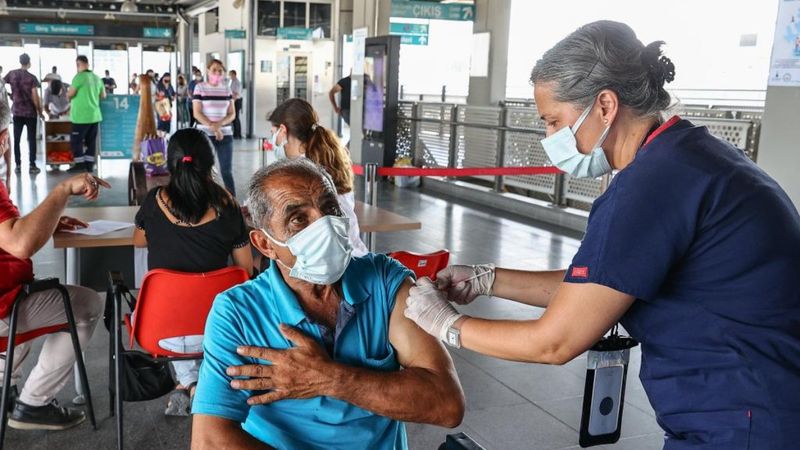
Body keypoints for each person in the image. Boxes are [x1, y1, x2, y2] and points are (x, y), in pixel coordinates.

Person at [404, 21, 800, 449]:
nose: (548, 138)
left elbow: (554, 342)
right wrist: (486, 278)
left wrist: (446, 324)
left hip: (743, 419)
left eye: (554, 121)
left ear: (606, 105)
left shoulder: (651, 186)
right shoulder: (688, 157)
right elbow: (595, 287)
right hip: (760, 403)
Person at [190, 158, 464, 449]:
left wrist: (329, 378)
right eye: (298, 218)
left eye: (330, 208)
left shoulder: (384, 280)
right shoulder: (237, 312)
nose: (325, 225)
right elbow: (209, 441)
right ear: (265, 244)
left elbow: (447, 404)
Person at [0, 99, 111, 431]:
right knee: (86, 303)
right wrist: (63, 190)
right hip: (5, 306)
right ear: (4, 136)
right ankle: (33, 404)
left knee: (37, 300)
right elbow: (19, 242)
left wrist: (47, 221)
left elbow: (8, 233)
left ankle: (7, 386)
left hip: (9, 294)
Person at [133, 128, 252, 417]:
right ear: (209, 164)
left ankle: (188, 383)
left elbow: (138, 241)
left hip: (159, 332)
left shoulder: (154, 201)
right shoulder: (227, 207)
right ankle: (199, 384)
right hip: (220, 330)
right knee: (212, 302)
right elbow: (245, 270)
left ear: (170, 164)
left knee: (169, 297)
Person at [267, 98, 368, 256]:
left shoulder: (299, 174)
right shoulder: (329, 160)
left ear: (283, 130)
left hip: (327, 263)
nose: (272, 140)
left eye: (273, 134)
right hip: (356, 256)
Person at [192, 59, 236, 196]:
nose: (217, 73)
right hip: (205, 135)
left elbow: (232, 113)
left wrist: (220, 125)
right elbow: (197, 113)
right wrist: (214, 127)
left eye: (220, 71)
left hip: (226, 135)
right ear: (208, 70)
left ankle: (232, 202)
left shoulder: (227, 89)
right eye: (214, 70)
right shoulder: (200, 88)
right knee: (204, 170)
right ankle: (203, 200)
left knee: (226, 171)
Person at [3, 53, 44, 174]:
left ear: (20, 61)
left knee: (16, 139)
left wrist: (10, 95)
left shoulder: (12, 74)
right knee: (32, 139)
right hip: (30, 113)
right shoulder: (32, 78)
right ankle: (32, 165)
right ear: (29, 62)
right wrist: (40, 111)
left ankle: (18, 165)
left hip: (17, 112)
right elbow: (35, 96)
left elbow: (1, 83)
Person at [67, 55, 105, 173]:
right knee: (91, 142)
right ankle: (89, 165)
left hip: (80, 117)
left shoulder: (78, 78)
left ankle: (80, 164)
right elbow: (103, 96)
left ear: (78, 64)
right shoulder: (97, 78)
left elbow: (70, 94)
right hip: (94, 115)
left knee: (76, 141)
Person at [228, 70, 243, 139]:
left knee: (236, 117)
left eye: (230, 75)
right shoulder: (232, 82)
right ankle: (235, 133)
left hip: (237, 101)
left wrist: (232, 101)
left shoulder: (237, 83)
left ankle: (238, 134)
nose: (229, 76)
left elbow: (236, 93)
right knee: (233, 118)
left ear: (234, 74)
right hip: (233, 101)